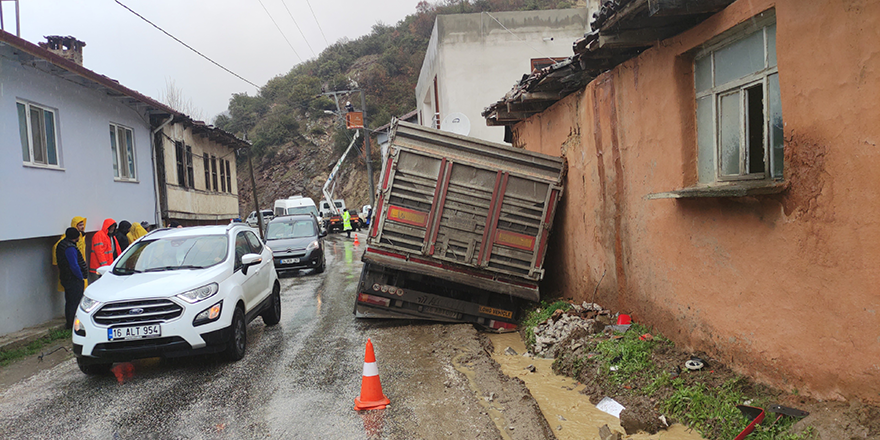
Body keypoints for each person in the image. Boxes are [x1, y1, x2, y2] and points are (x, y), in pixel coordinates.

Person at [56, 227, 87, 328]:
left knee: (69, 301)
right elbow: (74, 265)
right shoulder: (70, 248)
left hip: (66, 277)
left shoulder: (62, 244)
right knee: (75, 302)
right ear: (76, 237)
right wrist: (80, 277)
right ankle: (73, 324)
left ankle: (69, 323)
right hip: (73, 279)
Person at [52, 216, 88, 290]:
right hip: (74, 275)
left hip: (76, 272)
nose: (83, 227)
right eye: (80, 225)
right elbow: (74, 264)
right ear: (75, 225)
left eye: (83, 224)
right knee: (75, 298)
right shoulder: (70, 242)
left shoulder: (81, 237)